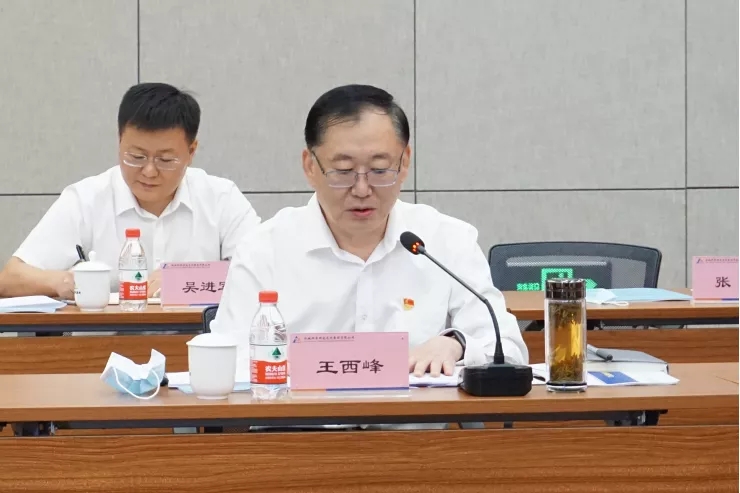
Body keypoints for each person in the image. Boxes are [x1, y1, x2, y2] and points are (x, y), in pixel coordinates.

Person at [215, 84, 527, 379]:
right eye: (343, 171)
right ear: (310, 166)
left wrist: (457, 344)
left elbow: (510, 350)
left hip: (418, 420)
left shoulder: (446, 241)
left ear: (404, 163)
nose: (362, 189)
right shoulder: (264, 250)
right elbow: (227, 361)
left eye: (379, 170)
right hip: (299, 418)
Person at [0, 82, 260, 299]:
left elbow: (261, 270)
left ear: (191, 152)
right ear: (119, 141)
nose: (149, 171)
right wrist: (65, 282)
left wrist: (183, 279)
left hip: (199, 340)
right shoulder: (86, 200)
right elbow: (10, 279)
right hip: (104, 343)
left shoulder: (221, 198)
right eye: (136, 157)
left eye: (165, 160)